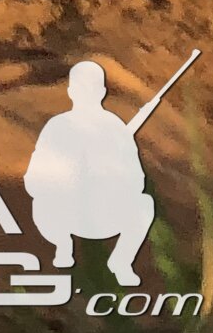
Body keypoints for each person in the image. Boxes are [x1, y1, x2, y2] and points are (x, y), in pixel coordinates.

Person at [27, 60, 158, 284]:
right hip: (64, 215)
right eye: (82, 87)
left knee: (144, 204)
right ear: (71, 91)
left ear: (102, 91)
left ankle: (121, 261)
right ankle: (63, 245)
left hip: (106, 214)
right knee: (42, 202)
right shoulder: (57, 127)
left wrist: (109, 175)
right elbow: (34, 180)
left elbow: (137, 181)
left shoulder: (116, 128)